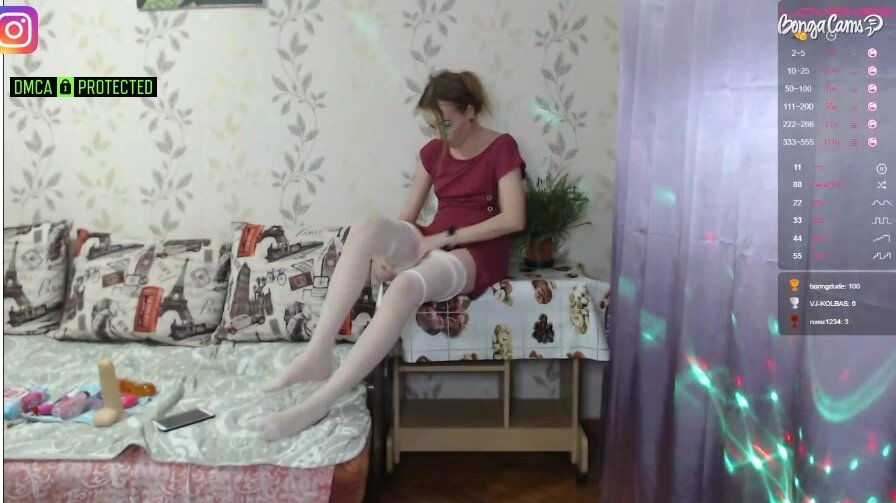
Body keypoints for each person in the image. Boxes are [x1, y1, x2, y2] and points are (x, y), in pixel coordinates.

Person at [260, 69, 527, 441]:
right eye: (432, 125)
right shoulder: (432, 152)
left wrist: (444, 239)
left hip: (477, 252)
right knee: (367, 227)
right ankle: (318, 353)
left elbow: (514, 219)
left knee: (404, 288)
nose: (440, 134)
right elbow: (407, 218)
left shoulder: (502, 147)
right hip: (434, 239)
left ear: (470, 111)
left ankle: (321, 401)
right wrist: (386, 253)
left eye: (446, 123)